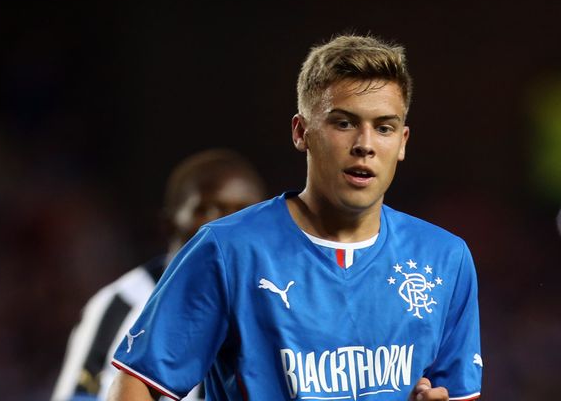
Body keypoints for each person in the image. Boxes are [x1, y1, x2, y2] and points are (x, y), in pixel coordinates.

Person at [106, 35, 482, 401]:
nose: (365, 144)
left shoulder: (445, 259)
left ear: (402, 142)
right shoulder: (228, 250)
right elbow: (137, 385)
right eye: (344, 123)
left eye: (384, 128)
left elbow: (454, 392)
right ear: (302, 132)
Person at [51, 149, 267, 400]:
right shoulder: (120, 305)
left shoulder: (287, 300)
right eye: (209, 209)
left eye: (244, 211)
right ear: (169, 223)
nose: (228, 224)